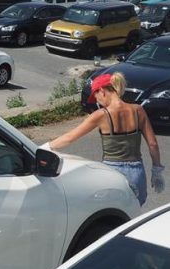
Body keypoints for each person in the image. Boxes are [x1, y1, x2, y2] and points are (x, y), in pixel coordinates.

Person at [45, 73, 164, 206]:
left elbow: (69, 137)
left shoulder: (101, 115)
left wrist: (46, 147)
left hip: (112, 172)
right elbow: (153, 144)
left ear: (102, 91)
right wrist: (156, 170)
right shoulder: (138, 110)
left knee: (112, 213)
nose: (97, 101)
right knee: (134, 212)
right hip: (137, 172)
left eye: (96, 97)